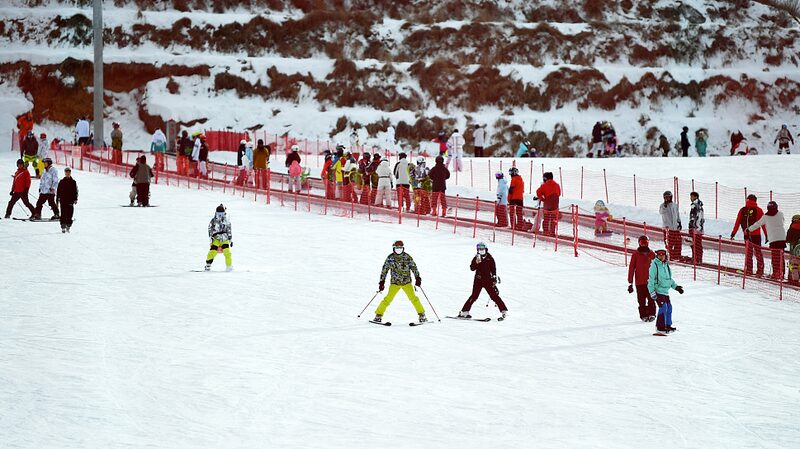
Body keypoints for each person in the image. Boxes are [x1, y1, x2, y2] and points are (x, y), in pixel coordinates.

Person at [373, 240, 426, 324]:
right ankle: (378, 315)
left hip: (406, 282)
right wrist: (382, 282)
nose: (399, 250)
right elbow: (384, 270)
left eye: (400, 248)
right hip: (395, 283)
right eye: (397, 248)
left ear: (403, 248)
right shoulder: (390, 258)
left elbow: (414, 267)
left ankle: (422, 315)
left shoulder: (407, 257)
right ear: (394, 248)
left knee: (414, 298)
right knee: (387, 299)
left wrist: (417, 278)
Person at [457, 242, 508, 320]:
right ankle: (464, 311)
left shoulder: (490, 259)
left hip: (488, 281)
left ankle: (504, 311)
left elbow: (493, 270)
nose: (481, 250)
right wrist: (476, 263)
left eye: (482, 249)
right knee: (474, 296)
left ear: (486, 249)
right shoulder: (476, 258)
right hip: (478, 280)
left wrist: (494, 278)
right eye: (479, 249)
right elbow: (472, 268)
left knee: (494, 296)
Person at [746, 201, 786, 280]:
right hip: (782, 238)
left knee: (775, 257)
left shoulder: (765, 217)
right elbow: (783, 221)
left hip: (773, 239)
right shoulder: (780, 214)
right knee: (781, 256)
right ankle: (782, 273)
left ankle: (775, 273)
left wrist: (748, 229)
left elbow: (757, 224)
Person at [648, 249, 684, 334]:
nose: (661, 257)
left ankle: (667, 325)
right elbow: (651, 280)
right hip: (658, 291)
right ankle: (660, 327)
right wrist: (651, 292)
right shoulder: (654, 265)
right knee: (663, 307)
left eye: (663, 255)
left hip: (665, 291)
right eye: (659, 255)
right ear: (657, 256)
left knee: (669, 307)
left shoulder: (666, 265)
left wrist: (676, 287)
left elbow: (669, 279)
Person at [731, 194, 765, 276]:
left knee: (748, 253)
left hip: (746, 235)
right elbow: (764, 224)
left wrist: (733, 233)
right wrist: (767, 235)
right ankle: (760, 270)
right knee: (758, 252)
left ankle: (749, 269)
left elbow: (737, 222)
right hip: (756, 235)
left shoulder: (742, 210)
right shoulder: (759, 210)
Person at [628, 235, 656, 322]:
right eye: (642, 242)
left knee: (651, 299)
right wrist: (630, 283)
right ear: (639, 243)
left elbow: (657, 267)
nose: (643, 244)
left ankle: (651, 313)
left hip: (650, 282)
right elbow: (631, 268)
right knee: (641, 300)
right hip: (639, 282)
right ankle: (643, 315)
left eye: (645, 242)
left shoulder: (652, 254)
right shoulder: (635, 255)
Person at [205, 204, 233, 272]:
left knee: (227, 252)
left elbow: (229, 230)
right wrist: (211, 239)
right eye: (218, 213)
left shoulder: (226, 220)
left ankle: (229, 266)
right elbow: (210, 229)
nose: (220, 215)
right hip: (216, 238)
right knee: (213, 251)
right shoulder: (213, 220)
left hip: (224, 238)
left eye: (222, 213)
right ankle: (208, 264)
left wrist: (230, 239)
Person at [659, 191, 682, 261]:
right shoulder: (663, 206)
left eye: (668, 197)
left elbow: (677, 214)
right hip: (668, 228)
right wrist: (664, 205)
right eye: (665, 197)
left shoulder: (674, 205)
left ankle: (677, 255)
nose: (667, 199)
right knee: (669, 243)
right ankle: (670, 255)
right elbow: (661, 212)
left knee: (678, 241)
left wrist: (679, 222)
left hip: (675, 227)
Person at [56, 167, 78, 233]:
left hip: (70, 201)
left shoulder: (73, 182)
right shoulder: (61, 182)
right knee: (63, 214)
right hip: (63, 200)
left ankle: (68, 226)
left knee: (69, 214)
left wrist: (75, 199)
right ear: (65, 173)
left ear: (70, 173)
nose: (68, 173)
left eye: (69, 172)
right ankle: (63, 227)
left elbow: (75, 191)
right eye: (66, 172)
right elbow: (58, 191)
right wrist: (57, 200)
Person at [688, 191, 704, 263]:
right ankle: (699, 258)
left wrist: (691, 225)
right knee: (698, 244)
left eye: (692, 196)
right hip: (700, 228)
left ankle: (695, 258)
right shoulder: (700, 206)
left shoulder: (694, 205)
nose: (690, 198)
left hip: (694, 228)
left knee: (694, 244)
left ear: (695, 197)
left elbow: (693, 217)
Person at [786, 215, 800, 285]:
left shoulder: (792, 227)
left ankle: (793, 279)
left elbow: (788, 239)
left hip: (794, 249)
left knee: (794, 265)